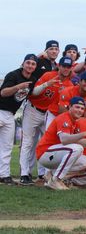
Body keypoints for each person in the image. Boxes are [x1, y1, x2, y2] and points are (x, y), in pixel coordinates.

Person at [36, 97, 86, 190]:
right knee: (77, 148)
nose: (79, 110)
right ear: (70, 107)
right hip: (45, 153)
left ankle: (56, 175)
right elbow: (64, 139)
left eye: (82, 108)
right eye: (77, 107)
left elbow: (76, 142)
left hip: (56, 153)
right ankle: (56, 180)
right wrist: (84, 134)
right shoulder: (64, 117)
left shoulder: (74, 121)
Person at [19, 56, 74, 185]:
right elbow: (33, 93)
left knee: (47, 143)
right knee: (28, 142)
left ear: (71, 68)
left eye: (68, 66)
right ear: (59, 66)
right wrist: (47, 84)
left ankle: (42, 174)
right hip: (33, 110)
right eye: (63, 66)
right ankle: (24, 174)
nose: (65, 69)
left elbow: (63, 106)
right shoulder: (49, 75)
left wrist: (63, 93)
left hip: (48, 114)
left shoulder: (69, 84)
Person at [0, 54, 37, 185]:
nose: (30, 66)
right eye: (28, 63)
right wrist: (18, 87)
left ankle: (4, 175)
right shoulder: (13, 75)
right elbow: (3, 92)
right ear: (23, 63)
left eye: (33, 64)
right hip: (0, 111)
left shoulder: (32, 79)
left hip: (10, 115)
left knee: (7, 146)